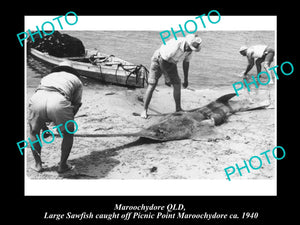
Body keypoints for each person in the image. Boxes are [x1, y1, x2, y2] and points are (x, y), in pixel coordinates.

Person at [28, 61, 83, 173]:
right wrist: (65, 125)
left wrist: (44, 128)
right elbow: (76, 104)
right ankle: (63, 165)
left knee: (34, 132)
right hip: (58, 99)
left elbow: (43, 103)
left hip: (38, 98)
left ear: (58, 69)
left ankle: (38, 165)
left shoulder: (48, 76)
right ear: (72, 71)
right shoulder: (76, 80)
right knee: (68, 134)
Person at [140, 34, 202, 119]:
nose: (190, 50)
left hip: (171, 62)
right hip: (159, 60)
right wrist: (167, 78)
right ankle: (144, 110)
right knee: (152, 84)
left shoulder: (190, 50)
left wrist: (186, 79)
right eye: (190, 47)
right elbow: (162, 60)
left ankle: (178, 109)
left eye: (192, 49)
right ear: (187, 43)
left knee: (177, 84)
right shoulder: (175, 45)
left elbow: (186, 63)